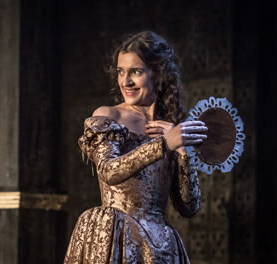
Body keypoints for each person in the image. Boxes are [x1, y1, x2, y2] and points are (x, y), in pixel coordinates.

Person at [64, 31, 208, 264]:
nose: (125, 81)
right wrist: (163, 145)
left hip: (159, 245)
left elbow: (189, 207)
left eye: (136, 72)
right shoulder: (108, 116)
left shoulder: (170, 127)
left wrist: (182, 151)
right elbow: (108, 171)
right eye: (121, 72)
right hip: (113, 237)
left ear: (158, 73)